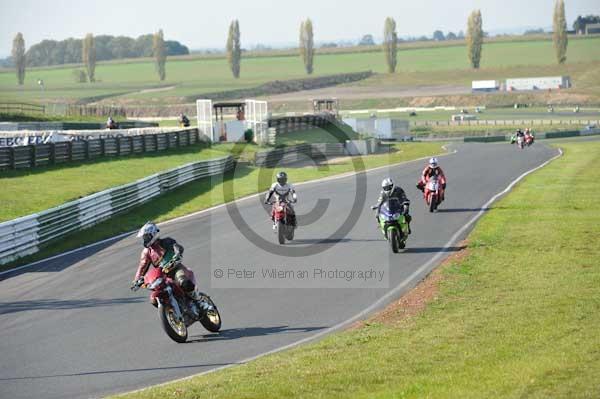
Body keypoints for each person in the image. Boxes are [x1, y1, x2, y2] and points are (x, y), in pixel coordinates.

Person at [131, 222, 198, 306]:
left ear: (153, 234)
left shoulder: (167, 241)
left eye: (147, 237)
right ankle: (170, 309)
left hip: (176, 268)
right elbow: (142, 267)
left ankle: (198, 300)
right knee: (156, 296)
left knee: (183, 282)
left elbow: (177, 247)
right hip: (162, 275)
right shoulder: (146, 252)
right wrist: (136, 280)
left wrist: (177, 252)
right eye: (144, 238)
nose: (145, 240)